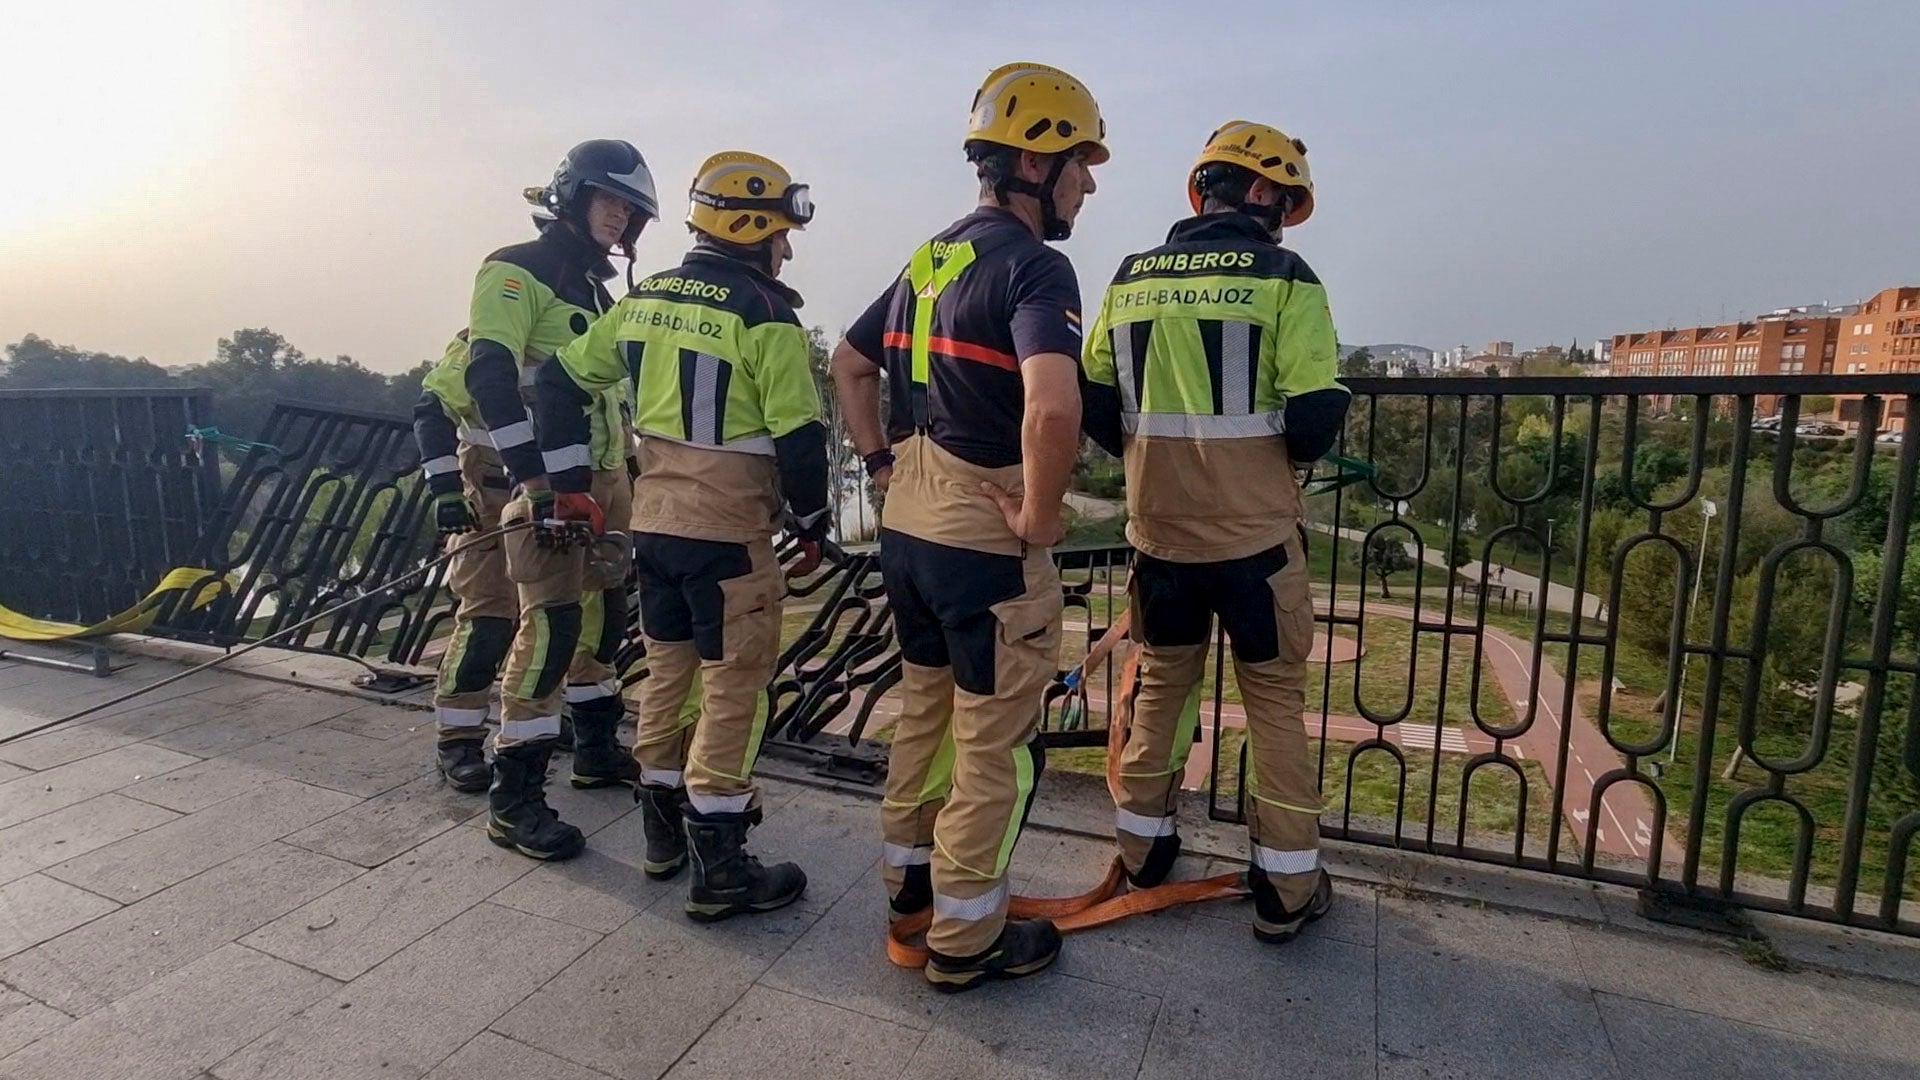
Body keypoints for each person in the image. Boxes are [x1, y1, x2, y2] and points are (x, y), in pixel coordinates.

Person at [831, 62, 1105, 991]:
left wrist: (877, 463)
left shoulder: (931, 256)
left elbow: (848, 361)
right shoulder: (1037, 265)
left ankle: (909, 889)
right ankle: (966, 937)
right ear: (1036, 163)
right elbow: (1055, 408)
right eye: (1082, 162)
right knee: (995, 746)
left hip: (907, 530)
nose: (1090, 183)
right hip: (985, 544)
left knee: (924, 715)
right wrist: (1041, 509)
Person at [531, 151, 829, 916]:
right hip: (729, 541)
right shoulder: (769, 316)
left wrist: (568, 482)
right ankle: (722, 866)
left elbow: (557, 381)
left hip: (654, 533)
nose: (786, 248)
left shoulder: (640, 301)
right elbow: (799, 439)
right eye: (782, 233)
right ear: (753, 225)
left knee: (667, 680)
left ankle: (661, 839)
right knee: (735, 693)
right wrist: (815, 523)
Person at [1081, 120, 1351, 943]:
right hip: (1256, 546)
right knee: (1273, 705)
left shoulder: (1131, 278)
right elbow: (1310, 419)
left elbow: (1095, 400)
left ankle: (1144, 849)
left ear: (1202, 192)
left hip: (1159, 539)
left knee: (1161, 686)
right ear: (1263, 194)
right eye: (1285, 200)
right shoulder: (1286, 277)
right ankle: (1286, 889)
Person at [411, 141, 655, 808]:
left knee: (600, 619)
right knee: (501, 619)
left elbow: (609, 398)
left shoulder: (599, 295)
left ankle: (594, 748)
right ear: (573, 197)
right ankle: (463, 743)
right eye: (610, 200)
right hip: (512, 481)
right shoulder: (515, 273)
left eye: (630, 210)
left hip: (597, 476)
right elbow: (478, 380)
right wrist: (526, 482)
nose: (620, 218)